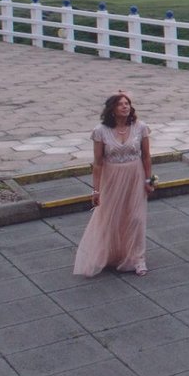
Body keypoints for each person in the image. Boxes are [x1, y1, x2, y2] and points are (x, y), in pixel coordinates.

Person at [74, 91, 154, 277]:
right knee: (112, 216)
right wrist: (96, 189)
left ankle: (138, 258)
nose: (125, 107)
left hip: (135, 174)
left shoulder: (140, 127)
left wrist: (148, 179)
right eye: (120, 104)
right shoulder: (100, 131)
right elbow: (98, 162)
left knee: (136, 217)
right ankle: (112, 253)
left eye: (127, 103)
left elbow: (147, 156)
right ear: (112, 110)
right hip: (112, 177)